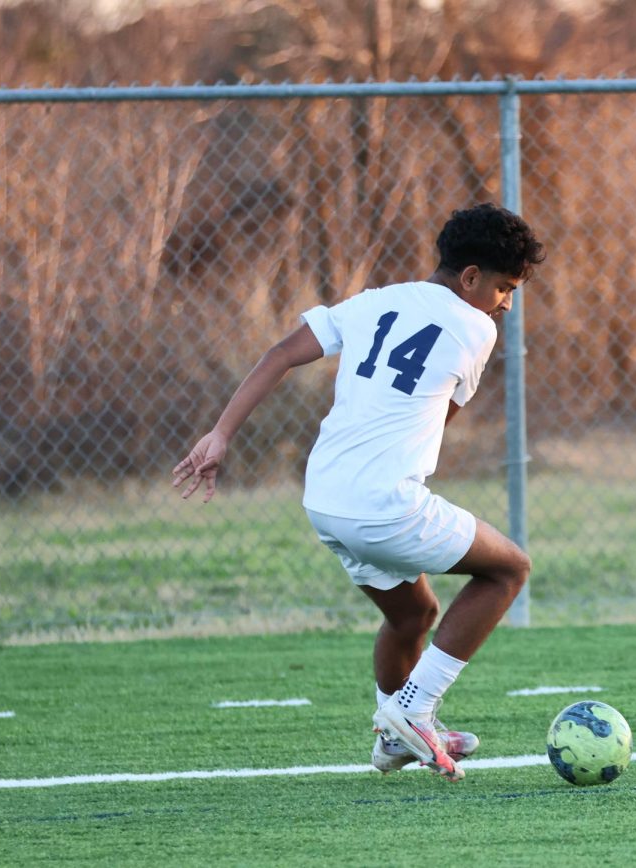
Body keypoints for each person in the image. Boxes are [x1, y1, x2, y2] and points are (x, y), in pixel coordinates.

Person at [172, 203, 546, 782]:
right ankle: (413, 711)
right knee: (509, 571)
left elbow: (279, 356)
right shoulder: (477, 327)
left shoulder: (370, 302)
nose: (507, 303)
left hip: (324, 501)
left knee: (413, 614)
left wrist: (220, 435)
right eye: (504, 287)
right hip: (382, 505)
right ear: (471, 277)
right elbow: (440, 417)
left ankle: (391, 737)